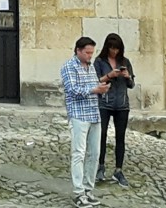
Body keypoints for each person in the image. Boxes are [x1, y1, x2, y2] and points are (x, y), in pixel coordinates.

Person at [61, 36, 110, 208]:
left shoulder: (90, 67)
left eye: (92, 52)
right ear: (78, 51)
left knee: (94, 154)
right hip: (79, 115)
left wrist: (101, 89)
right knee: (78, 153)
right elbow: (72, 90)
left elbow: (93, 85)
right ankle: (78, 192)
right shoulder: (69, 67)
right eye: (88, 52)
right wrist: (94, 89)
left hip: (94, 114)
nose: (90, 56)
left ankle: (89, 189)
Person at [95, 32, 135, 188]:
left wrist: (127, 76)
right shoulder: (99, 62)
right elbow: (95, 80)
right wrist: (109, 75)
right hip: (104, 103)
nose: (114, 52)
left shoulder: (125, 61)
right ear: (107, 48)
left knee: (120, 137)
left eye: (117, 49)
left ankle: (118, 170)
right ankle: (100, 166)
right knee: (101, 135)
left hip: (122, 104)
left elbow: (131, 85)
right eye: (112, 48)